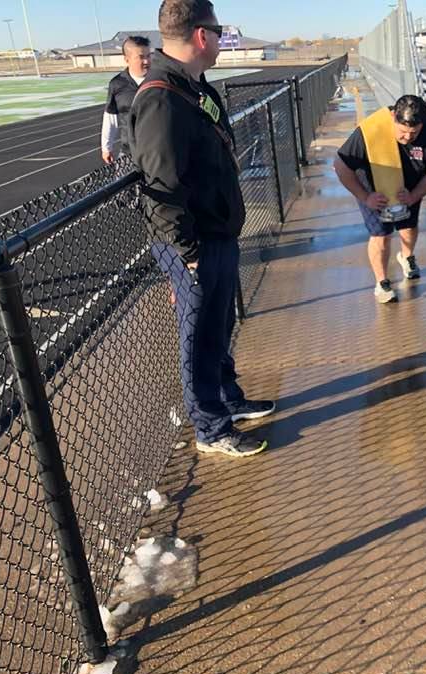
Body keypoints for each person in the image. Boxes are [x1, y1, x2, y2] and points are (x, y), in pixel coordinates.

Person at [131, 0, 274, 457]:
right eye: (218, 31)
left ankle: (228, 398)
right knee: (199, 335)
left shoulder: (194, 88)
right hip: (195, 242)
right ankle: (210, 427)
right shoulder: (160, 98)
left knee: (219, 324)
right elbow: (161, 188)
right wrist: (188, 252)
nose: (221, 40)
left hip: (217, 235)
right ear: (200, 36)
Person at [333, 94, 426, 303]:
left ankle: (407, 257)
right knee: (382, 235)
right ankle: (382, 283)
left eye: (413, 133)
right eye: (402, 132)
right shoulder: (371, 130)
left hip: (410, 185)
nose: (407, 137)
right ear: (393, 118)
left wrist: (414, 196)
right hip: (373, 185)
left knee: (409, 226)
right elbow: (341, 165)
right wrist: (365, 196)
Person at [101, 36, 151, 164]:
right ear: (127, 59)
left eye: (148, 55)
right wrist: (106, 148)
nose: (146, 61)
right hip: (128, 153)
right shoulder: (117, 84)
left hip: (157, 153)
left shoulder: (160, 80)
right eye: (141, 57)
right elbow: (110, 119)